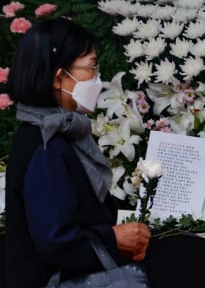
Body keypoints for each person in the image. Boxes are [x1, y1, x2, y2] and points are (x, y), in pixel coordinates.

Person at [4, 17, 151, 288]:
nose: (98, 79)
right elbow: (55, 240)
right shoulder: (48, 144)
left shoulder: (50, 133)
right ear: (60, 78)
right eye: (92, 67)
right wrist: (113, 238)